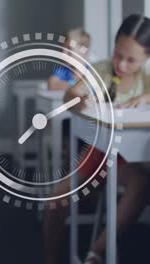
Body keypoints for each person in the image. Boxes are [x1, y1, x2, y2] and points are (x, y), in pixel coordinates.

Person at [44, 14, 150, 264]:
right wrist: (80, 100)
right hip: (99, 152)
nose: (122, 65)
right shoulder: (102, 69)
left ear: (146, 58)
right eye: (118, 54)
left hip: (127, 161)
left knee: (141, 185)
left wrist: (145, 98)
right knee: (54, 204)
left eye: (131, 60)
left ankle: (97, 253)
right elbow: (71, 93)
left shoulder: (145, 78)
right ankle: (51, 259)